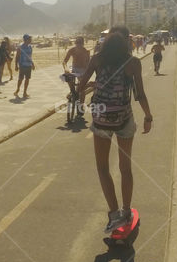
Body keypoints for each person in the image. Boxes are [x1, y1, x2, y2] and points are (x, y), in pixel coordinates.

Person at [78, 26, 153, 234]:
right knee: (125, 168)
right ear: (127, 41)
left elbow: (81, 86)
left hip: (101, 118)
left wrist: (94, 86)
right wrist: (148, 117)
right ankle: (126, 211)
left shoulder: (97, 59)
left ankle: (113, 215)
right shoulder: (133, 63)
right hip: (124, 118)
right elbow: (139, 94)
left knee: (103, 168)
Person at [62, 37, 91, 118]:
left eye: (80, 44)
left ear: (82, 44)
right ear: (75, 44)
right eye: (77, 44)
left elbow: (89, 64)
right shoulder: (72, 50)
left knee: (82, 87)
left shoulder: (86, 51)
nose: (78, 46)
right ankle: (72, 91)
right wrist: (66, 68)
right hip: (74, 68)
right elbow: (64, 61)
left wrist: (86, 74)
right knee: (66, 75)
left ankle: (81, 106)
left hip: (83, 70)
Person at [14, 34, 35, 98]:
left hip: (28, 65)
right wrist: (16, 65)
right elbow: (17, 57)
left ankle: (24, 92)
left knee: (27, 79)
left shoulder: (30, 47)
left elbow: (30, 56)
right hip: (22, 65)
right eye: (29, 39)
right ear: (26, 40)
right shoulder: (20, 47)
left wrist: (32, 64)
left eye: (30, 39)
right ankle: (17, 89)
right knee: (20, 79)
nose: (31, 40)